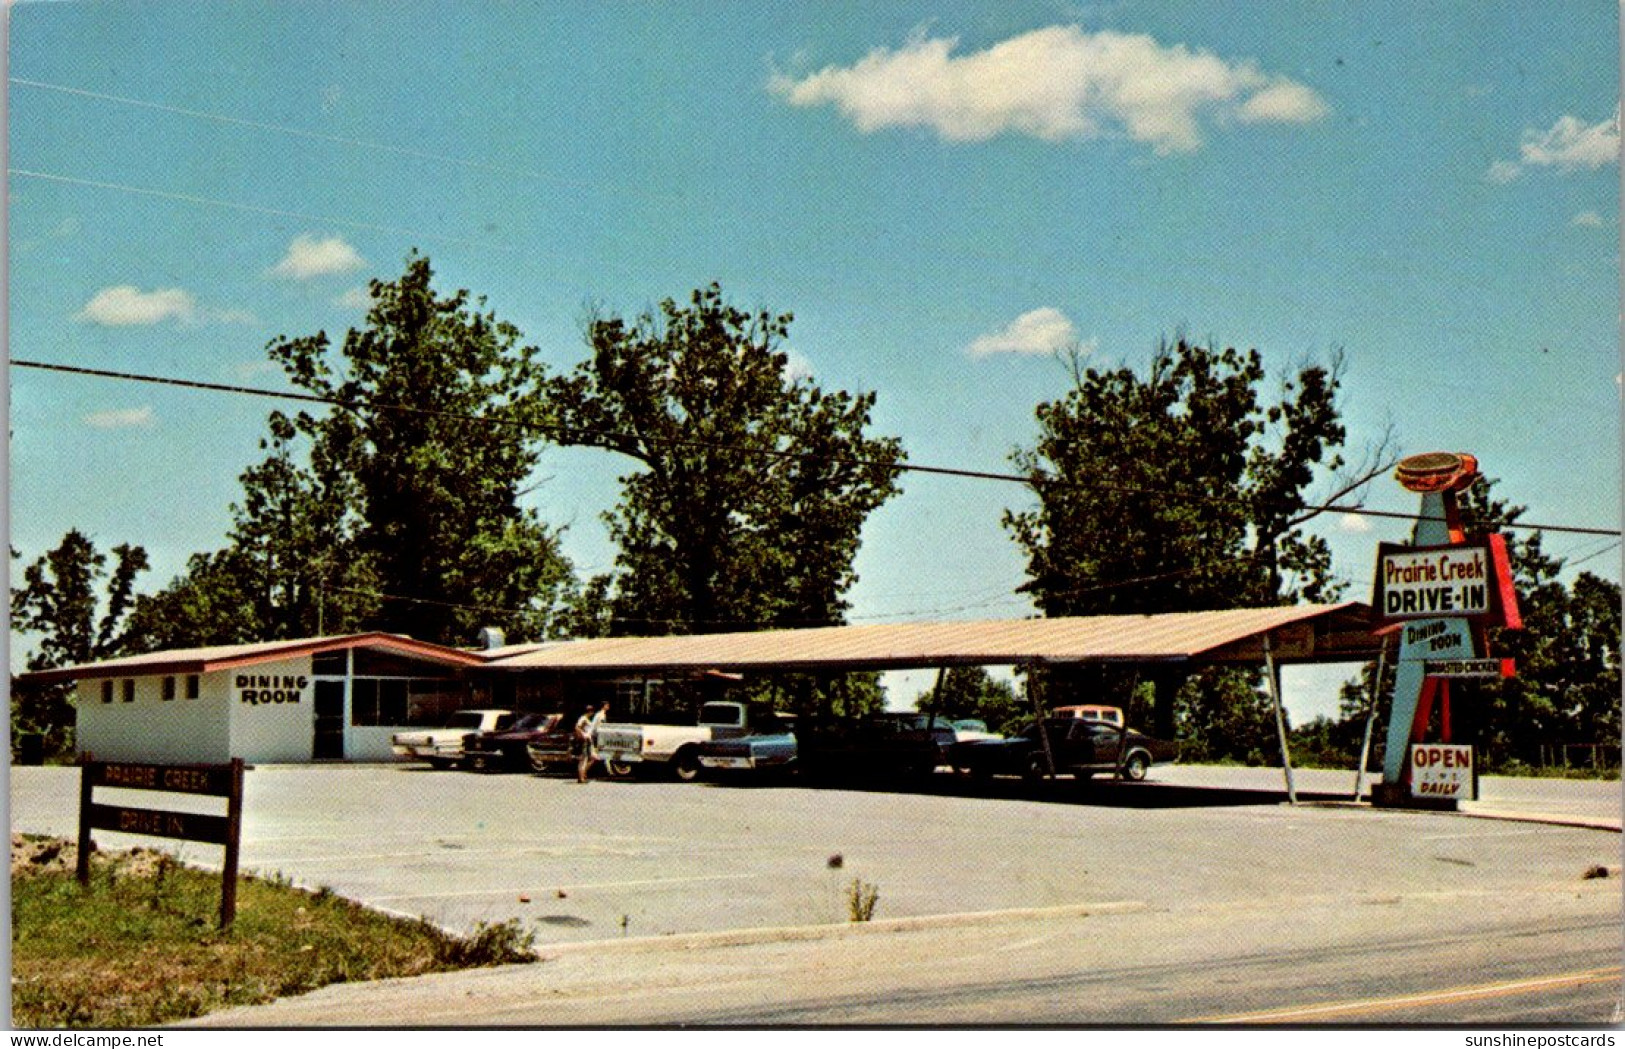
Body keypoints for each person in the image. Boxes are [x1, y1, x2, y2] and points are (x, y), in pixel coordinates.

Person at [575, 701, 610, 783]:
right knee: (583, 759)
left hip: (589, 739)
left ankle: (583, 774)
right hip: (586, 740)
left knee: (592, 758)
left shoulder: (588, 719)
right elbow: (577, 727)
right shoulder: (583, 718)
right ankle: (581, 777)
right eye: (591, 711)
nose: (592, 713)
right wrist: (584, 735)